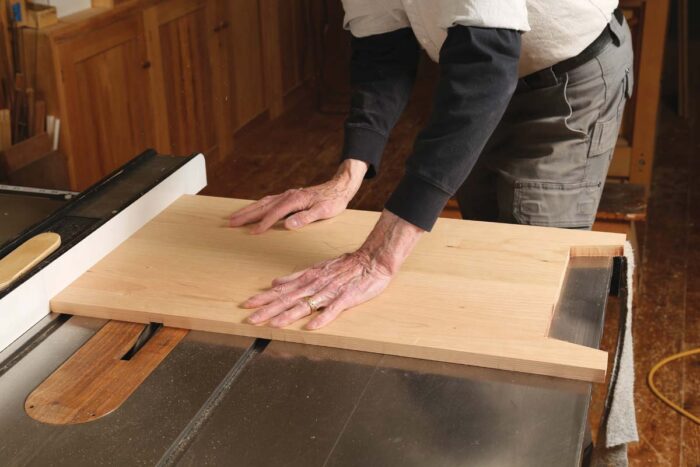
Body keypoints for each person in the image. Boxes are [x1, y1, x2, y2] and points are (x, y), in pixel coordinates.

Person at [229, 1, 634, 330]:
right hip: (491, 72)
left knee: (534, 280)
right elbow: (381, 51)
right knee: (484, 239)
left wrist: (378, 255)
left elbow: (486, 66)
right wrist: (346, 177)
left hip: (566, 81)